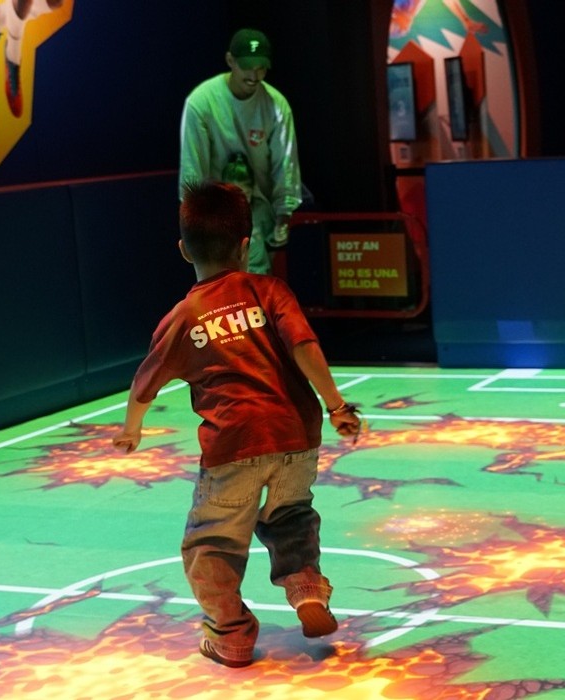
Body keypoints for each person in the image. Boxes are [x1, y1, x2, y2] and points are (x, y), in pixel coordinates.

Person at [112, 180, 361, 667]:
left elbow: (144, 383)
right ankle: (306, 587)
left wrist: (131, 428)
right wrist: (336, 405)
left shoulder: (183, 317)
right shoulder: (270, 291)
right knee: (290, 515)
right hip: (296, 437)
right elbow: (304, 347)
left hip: (233, 444)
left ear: (184, 250)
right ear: (247, 245)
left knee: (211, 544)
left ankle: (231, 635)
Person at [180, 28, 302, 275]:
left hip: (259, 214)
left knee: (256, 289)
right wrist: (197, 227)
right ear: (230, 61)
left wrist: (282, 220)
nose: (254, 75)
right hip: (214, 217)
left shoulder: (276, 106)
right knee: (217, 292)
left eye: (261, 67)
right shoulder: (201, 103)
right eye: (247, 66)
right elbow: (192, 173)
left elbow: (285, 170)